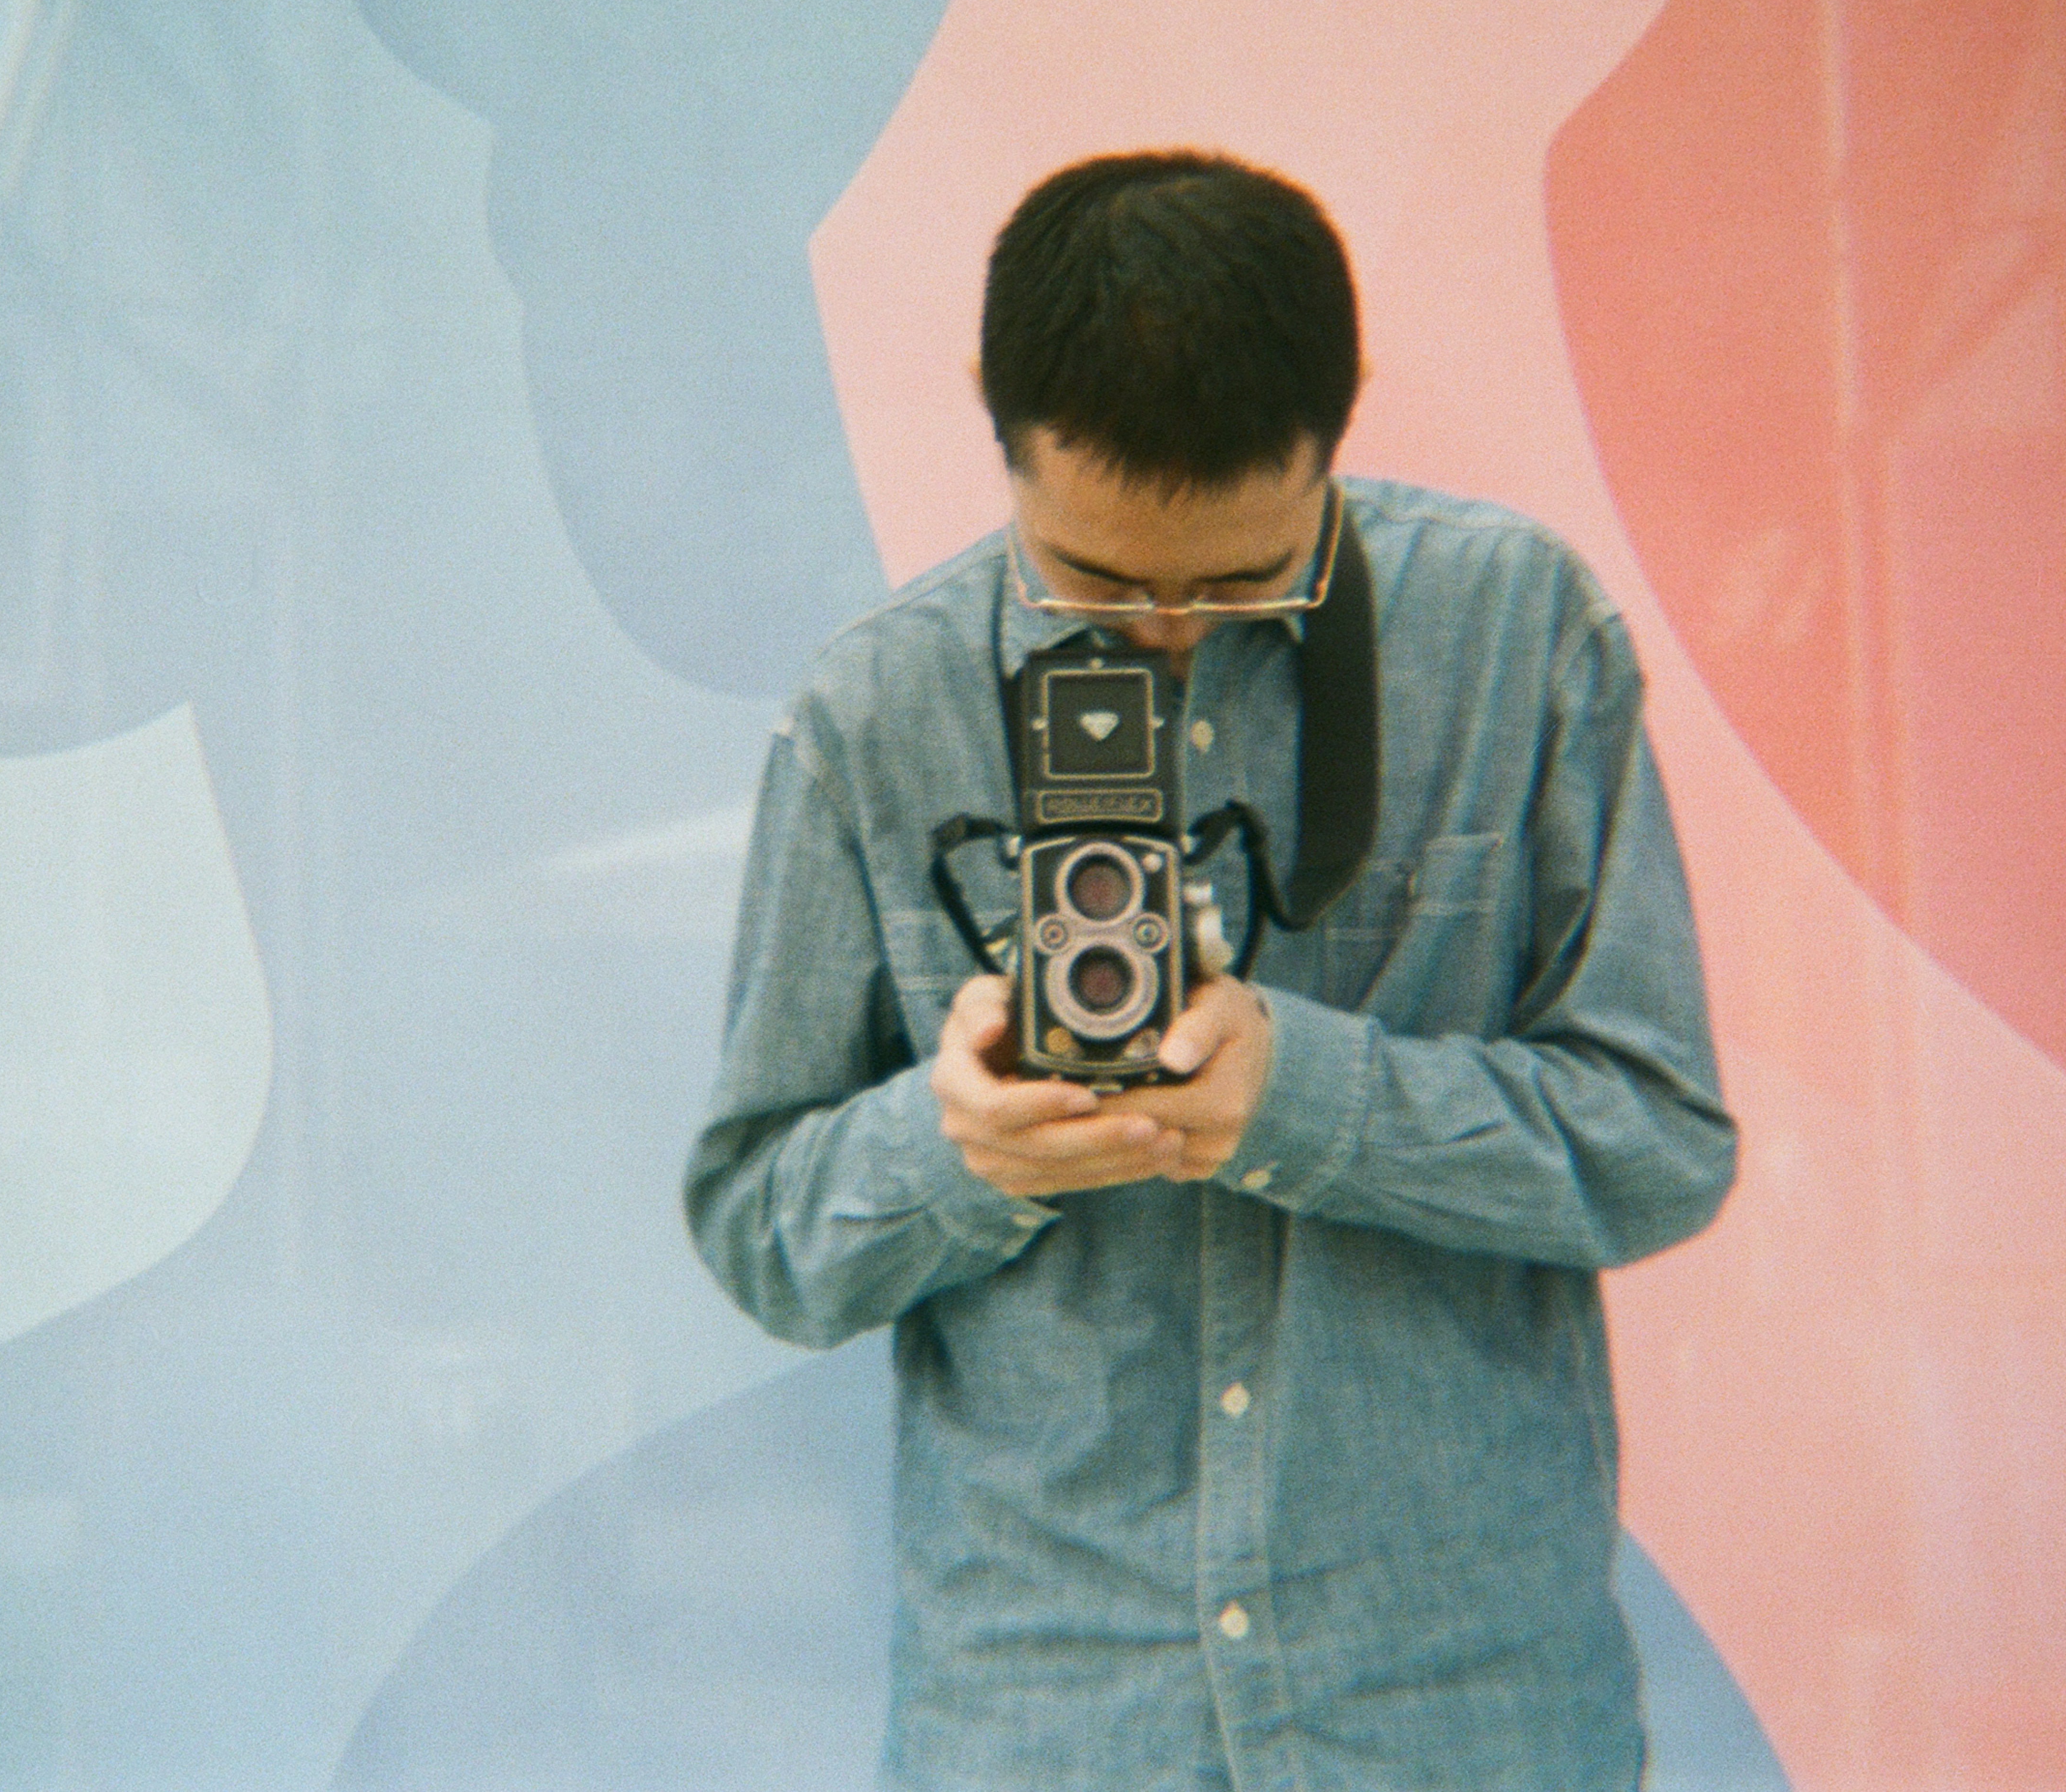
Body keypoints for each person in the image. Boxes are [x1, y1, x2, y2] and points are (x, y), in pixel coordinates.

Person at [685, 148, 1739, 1789]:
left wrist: (1305, 1092)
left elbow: (1661, 1142)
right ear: (996, 415)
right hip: (1051, 1715)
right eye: (1099, 580)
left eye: (1251, 575)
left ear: (1341, 420)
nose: (1172, 628)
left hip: (1458, 1711)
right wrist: (954, 1149)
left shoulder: (1514, 635)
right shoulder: (878, 716)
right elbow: (761, 1229)